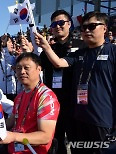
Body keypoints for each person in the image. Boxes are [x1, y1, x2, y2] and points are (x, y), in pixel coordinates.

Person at [35, 11, 116, 154]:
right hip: (79, 115)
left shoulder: (111, 51)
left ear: (104, 28)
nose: (86, 31)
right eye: (83, 28)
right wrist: (46, 47)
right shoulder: (79, 54)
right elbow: (58, 63)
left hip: (102, 119)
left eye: (91, 26)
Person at [0, 52, 60, 154]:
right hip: (13, 148)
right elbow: (10, 122)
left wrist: (13, 136)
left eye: (26, 68)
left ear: (39, 69)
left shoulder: (46, 97)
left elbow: (45, 137)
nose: (22, 72)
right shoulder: (20, 96)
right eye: (19, 68)